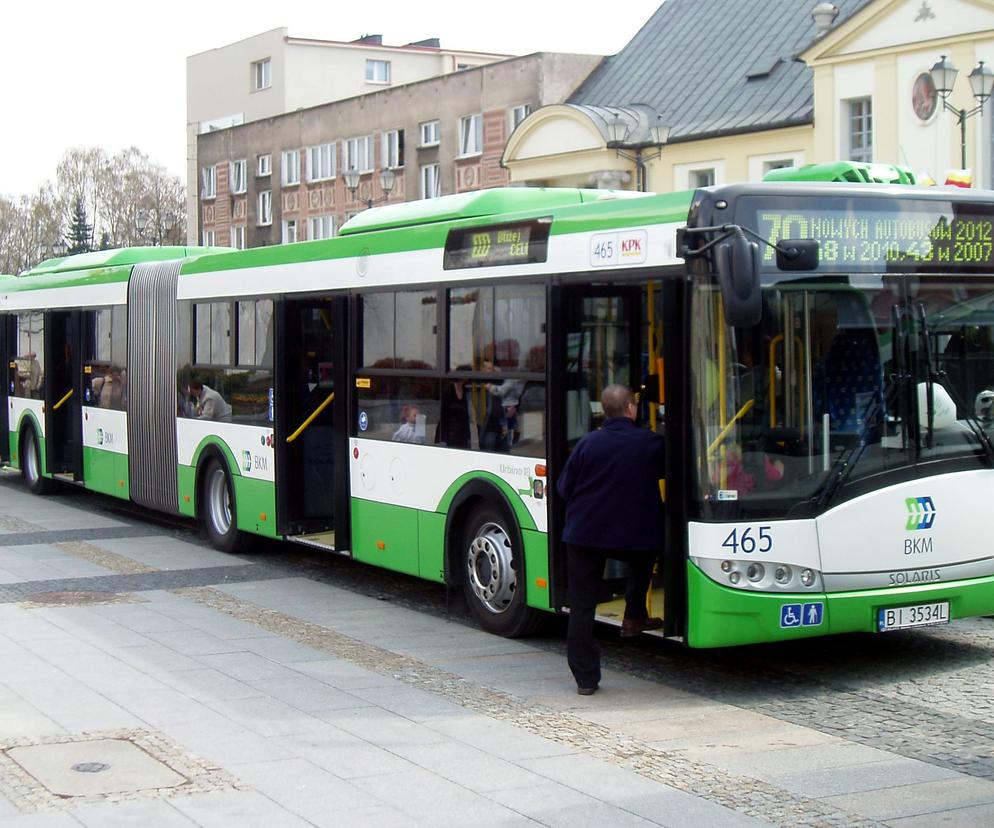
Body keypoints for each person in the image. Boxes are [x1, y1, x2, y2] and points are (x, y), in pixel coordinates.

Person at [557, 384, 665, 696]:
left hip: (584, 534)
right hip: (633, 536)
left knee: (581, 606)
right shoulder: (651, 443)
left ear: (605, 411)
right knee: (646, 559)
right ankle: (633, 615)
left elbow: (565, 488)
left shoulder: (587, 444)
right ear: (631, 408)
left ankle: (586, 679)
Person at [436, 369, 473, 449]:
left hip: (462, 433)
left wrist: (468, 436)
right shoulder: (448, 391)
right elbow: (443, 416)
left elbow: (466, 416)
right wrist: (443, 439)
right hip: (450, 433)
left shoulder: (465, 390)